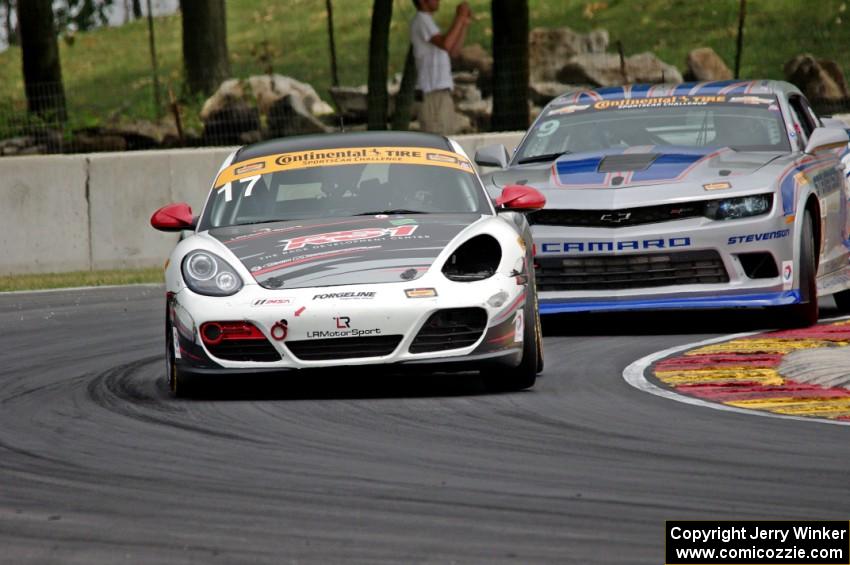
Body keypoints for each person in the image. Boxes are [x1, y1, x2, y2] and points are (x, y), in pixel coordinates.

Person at [410, 0, 472, 135]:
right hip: (433, 94)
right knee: (439, 140)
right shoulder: (422, 20)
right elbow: (446, 44)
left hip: (442, 93)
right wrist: (459, 17)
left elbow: (453, 50)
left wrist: (463, 24)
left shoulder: (429, 22)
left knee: (448, 136)